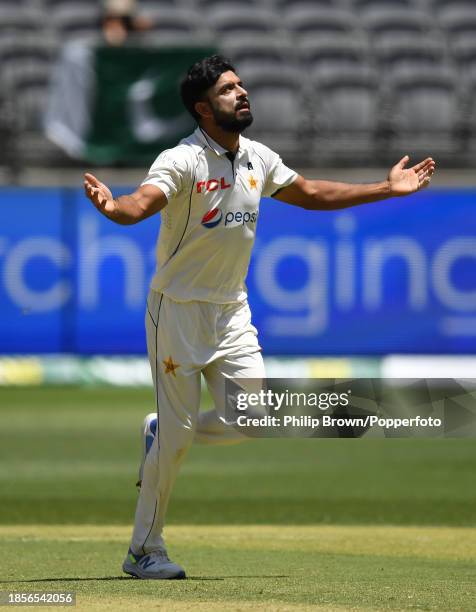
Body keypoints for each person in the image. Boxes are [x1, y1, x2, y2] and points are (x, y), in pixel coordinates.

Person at [83, 54, 435, 580]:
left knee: (255, 420)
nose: (242, 93)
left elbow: (311, 192)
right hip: (177, 310)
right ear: (203, 109)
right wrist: (114, 208)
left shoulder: (256, 157)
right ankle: (144, 550)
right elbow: (141, 201)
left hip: (231, 310)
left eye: (242, 85)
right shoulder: (182, 159)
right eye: (228, 89)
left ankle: (164, 433)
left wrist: (386, 189)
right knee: (180, 443)